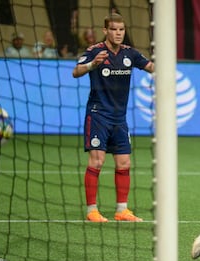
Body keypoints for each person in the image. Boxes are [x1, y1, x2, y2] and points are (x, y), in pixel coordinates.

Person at [72, 13, 154, 222]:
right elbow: (76, 72)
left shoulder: (130, 54)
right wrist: (92, 65)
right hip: (98, 115)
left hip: (120, 118)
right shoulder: (95, 51)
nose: (118, 33)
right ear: (105, 31)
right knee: (97, 161)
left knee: (124, 163)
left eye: (121, 30)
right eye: (114, 29)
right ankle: (92, 210)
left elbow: (151, 67)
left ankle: (121, 210)